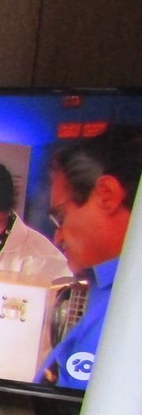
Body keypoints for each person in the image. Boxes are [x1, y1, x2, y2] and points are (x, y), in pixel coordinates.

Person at [37, 126, 142, 390]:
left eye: (60, 217)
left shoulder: (129, 305)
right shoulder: (105, 287)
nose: (58, 237)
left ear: (106, 195)